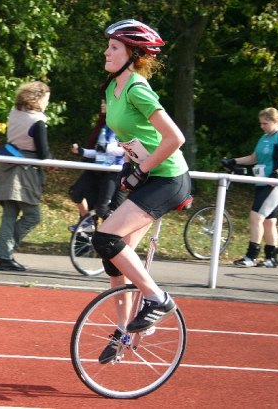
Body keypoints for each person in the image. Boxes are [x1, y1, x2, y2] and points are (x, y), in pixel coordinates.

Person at [91, 19, 192, 363]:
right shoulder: (112, 89)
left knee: (106, 238)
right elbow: (133, 137)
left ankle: (156, 299)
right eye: (108, 46)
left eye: (114, 47)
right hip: (146, 175)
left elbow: (175, 138)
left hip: (168, 179)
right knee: (114, 257)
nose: (107, 52)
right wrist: (131, 167)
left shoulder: (137, 88)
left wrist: (142, 170)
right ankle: (123, 331)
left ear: (133, 55)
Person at [221, 107, 278, 268]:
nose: (262, 126)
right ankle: (271, 258)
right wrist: (233, 161)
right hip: (262, 183)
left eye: (265, 123)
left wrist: (277, 173)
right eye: (261, 123)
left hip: (276, 184)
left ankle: (251, 256)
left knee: (256, 217)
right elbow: (253, 158)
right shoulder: (264, 137)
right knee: (269, 222)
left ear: (275, 121)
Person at [0, 81, 53, 272]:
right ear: (37, 98)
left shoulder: (15, 112)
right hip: (26, 171)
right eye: (46, 99)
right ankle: (3, 248)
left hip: (9, 164)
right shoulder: (38, 121)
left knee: (9, 214)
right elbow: (44, 153)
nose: (47, 103)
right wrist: (52, 161)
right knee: (32, 215)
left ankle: (3, 253)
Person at [69, 99, 127, 227]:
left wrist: (105, 148)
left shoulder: (123, 127)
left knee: (103, 208)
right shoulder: (105, 127)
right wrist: (81, 151)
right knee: (80, 195)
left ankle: (115, 230)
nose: (102, 105)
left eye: (105, 102)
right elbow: (98, 151)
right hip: (100, 169)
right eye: (101, 102)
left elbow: (126, 150)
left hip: (115, 171)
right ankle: (88, 224)